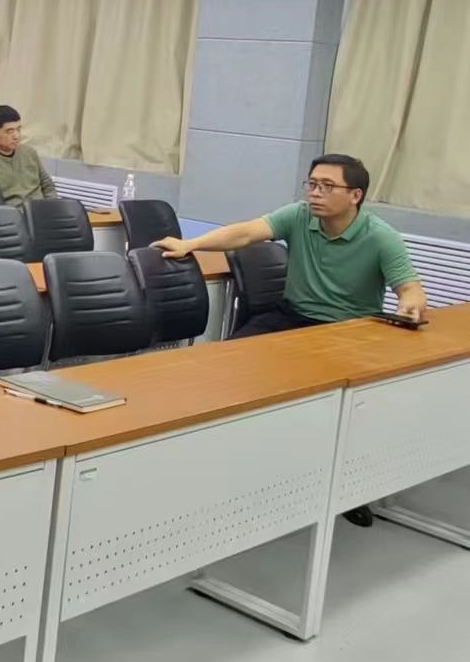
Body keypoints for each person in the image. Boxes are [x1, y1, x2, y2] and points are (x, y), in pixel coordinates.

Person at [153, 153, 426, 529]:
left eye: (327, 186)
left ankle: (346, 488)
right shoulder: (299, 216)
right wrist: (192, 244)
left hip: (350, 332)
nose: (315, 193)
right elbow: (246, 232)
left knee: (347, 409)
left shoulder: (380, 237)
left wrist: (411, 304)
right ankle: (224, 465)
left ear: (355, 195)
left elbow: (409, 288)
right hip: (292, 317)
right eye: (312, 184)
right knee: (223, 365)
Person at [0, 104, 56, 206]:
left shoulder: (29, 153)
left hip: (41, 211)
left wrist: (51, 207)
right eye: (9, 131)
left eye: (18, 129)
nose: (16, 136)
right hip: (12, 214)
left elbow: (47, 185)